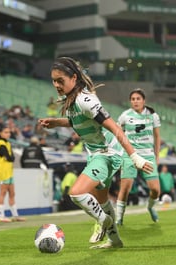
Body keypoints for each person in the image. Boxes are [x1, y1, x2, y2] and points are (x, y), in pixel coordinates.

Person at [39, 56, 152, 249]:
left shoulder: (85, 100)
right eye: (54, 80)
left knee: (76, 193)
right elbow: (79, 121)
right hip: (95, 153)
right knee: (102, 200)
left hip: (107, 153)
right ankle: (114, 241)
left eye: (60, 80)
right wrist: (57, 122)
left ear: (74, 78)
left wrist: (134, 157)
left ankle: (104, 221)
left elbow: (115, 127)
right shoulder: (71, 99)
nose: (56, 84)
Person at [112, 88, 161, 227]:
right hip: (130, 155)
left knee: (156, 190)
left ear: (144, 101)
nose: (135, 101)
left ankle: (151, 207)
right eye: (133, 99)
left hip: (148, 155)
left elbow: (157, 137)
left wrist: (156, 157)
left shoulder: (152, 115)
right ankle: (119, 218)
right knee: (125, 188)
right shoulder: (125, 116)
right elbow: (116, 131)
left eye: (138, 99)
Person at [0, 125, 26, 222]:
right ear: (0, 133)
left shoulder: (7, 143)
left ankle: (15, 215)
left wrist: (10, 157)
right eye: (5, 132)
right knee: (3, 192)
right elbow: (9, 157)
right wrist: (10, 157)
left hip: (9, 172)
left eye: (9, 132)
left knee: (12, 193)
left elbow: (11, 157)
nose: (8, 134)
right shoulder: (0, 143)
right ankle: (1, 216)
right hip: (3, 173)